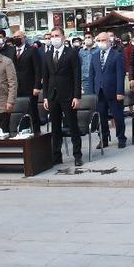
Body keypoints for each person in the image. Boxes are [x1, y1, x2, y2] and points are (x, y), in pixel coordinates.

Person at [42, 28, 83, 165]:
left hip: (68, 95)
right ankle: (56, 155)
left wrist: (76, 96)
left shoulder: (71, 53)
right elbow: (46, 77)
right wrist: (46, 97)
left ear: (63, 37)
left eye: (57, 35)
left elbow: (77, 75)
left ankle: (77, 155)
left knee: (72, 125)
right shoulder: (47, 54)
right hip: (53, 96)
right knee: (55, 127)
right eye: (52, 36)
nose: (54, 38)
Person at [90, 31, 127, 149]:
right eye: (99, 41)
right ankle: (104, 139)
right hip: (99, 92)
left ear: (109, 41)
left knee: (117, 115)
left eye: (104, 40)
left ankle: (121, 138)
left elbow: (120, 75)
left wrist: (120, 92)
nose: (101, 43)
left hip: (113, 91)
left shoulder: (117, 55)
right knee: (101, 116)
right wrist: (91, 92)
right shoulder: (95, 55)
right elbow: (92, 74)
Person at [12, 30, 42, 132]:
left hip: (30, 86)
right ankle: (23, 131)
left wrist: (37, 86)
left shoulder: (32, 50)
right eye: (14, 37)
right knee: (20, 111)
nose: (16, 38)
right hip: (16, 87)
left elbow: (38, 69)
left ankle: (36, 132)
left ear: (24, 38)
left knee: (32, 110)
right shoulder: (11, 51)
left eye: (18, 37)